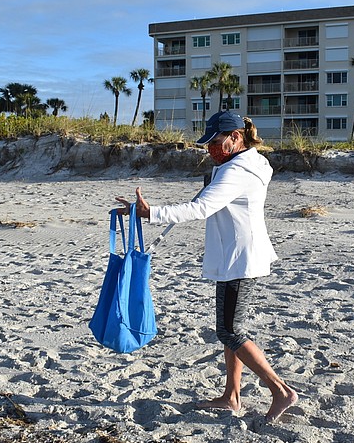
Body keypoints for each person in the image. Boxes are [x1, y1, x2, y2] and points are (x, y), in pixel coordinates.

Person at [115, 111, 298, 423]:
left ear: (235, 138)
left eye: (216, 141)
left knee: (229, 330)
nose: (211, 148)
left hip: (239, 257)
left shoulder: (237, 171)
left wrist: (151, 213)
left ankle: (280, 390)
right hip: (236, 255)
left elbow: (201, 207)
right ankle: (231, 396)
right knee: (231, 329)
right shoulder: (242, 164)